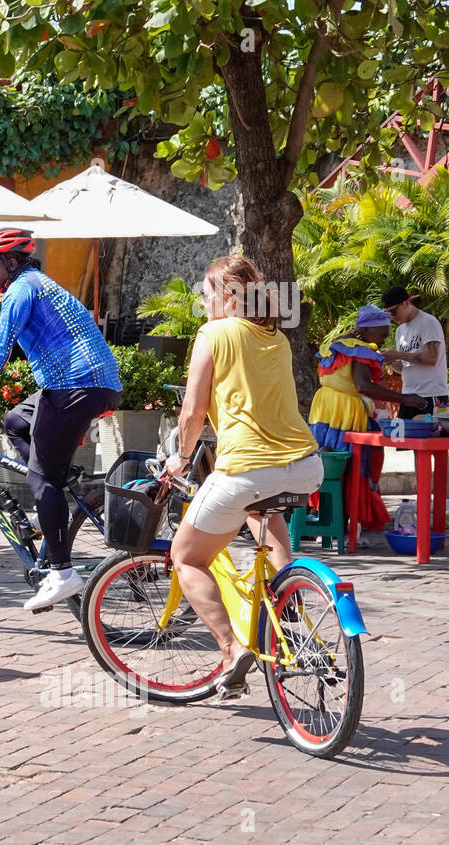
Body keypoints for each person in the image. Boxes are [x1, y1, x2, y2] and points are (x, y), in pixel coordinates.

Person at [0, 228, 122, 611]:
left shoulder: (24, 288)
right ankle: (53, 493)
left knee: (41, 477)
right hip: (80, 384)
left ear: (13, 262)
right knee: (15, 422)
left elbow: (1, 348)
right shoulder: (26, 286)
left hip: (77, 385)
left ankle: (62, 573)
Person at [166, 255, 323, 699]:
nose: (203, 302)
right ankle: (289, 613)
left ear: (229, 296)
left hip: (247, 468)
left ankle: (231, 651)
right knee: (264, 517)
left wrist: (181, 457)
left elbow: (194, 410)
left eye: (207, 293)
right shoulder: (276, 335)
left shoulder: (214, 332)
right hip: (306, 465)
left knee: (188, 557)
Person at [308, 305, 428, 539]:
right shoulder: (360, 350)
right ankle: (341, 525)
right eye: (382, 332)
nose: (384, 337)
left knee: (330, 464)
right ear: (367, 329)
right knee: (351, 465)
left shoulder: (338, 343)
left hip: (324, 409)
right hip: (345, 412)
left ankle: (331, 523)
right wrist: (404, 398)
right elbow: (363, 385)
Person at [381, 286, 447, 418]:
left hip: (430, 395)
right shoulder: (400, 331)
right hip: (408, 396)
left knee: (432, 438)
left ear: (406, 303)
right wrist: (389, 361)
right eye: (388, 314)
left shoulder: (428, 322)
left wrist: (397, 354)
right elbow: (405, 368)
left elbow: (431, 358)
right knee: (404, 438)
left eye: (393, 311)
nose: (392, 317)